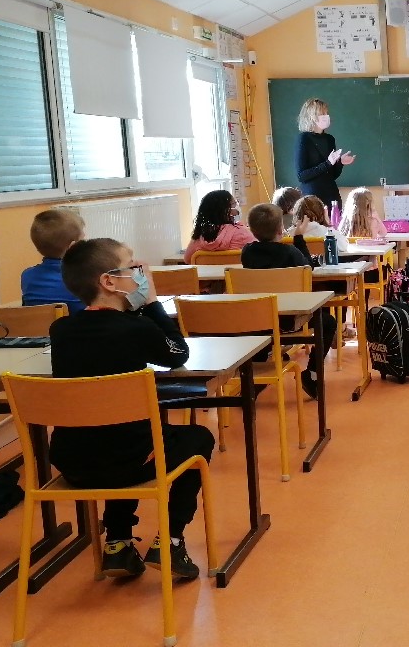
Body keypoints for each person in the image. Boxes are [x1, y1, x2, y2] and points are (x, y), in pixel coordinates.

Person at [50, 238, 211, 580]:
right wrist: (151, 303)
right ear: (109, 282)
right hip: (128, 462)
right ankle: (170, 540)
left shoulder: (60, 329)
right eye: (133, 267)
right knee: (197, 437)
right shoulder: (136, 328)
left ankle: (118, 542)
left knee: (117, 435)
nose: (141, 272)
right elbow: (176, 353)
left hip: (74, 462)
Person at [242, 204, 337, 399]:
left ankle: (256, 376)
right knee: (327, 321)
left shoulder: (247, 253)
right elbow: (308, 270)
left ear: (252, 230)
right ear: (280, 229)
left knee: (265, 321)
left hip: (257, 320)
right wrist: (299, 238)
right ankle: (312, 374)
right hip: (289, 321)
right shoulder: (290, 253)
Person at [21, 208, 86, 314]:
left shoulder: (27, 276)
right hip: (76, 330)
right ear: (73, 247)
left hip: (38, 330)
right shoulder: (83, 278)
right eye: (83, 239)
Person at [295, 98, 356, 211]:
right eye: (322, 113)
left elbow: (332, 175)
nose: (326, 116)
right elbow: (302, 176)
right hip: (313, 199)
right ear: (311, 116)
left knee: (335, 225)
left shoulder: (329, 139)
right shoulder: (304, 139)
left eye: (326, 113)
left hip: (331, 196)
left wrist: (340, 163)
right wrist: (328, 163)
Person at [184, 190, 255, 263]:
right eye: (234, 204)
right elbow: (257, 255)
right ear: (226, 210)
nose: (236, 207)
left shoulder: (198, 238)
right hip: (236, 274)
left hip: (208, 274)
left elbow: (187, 260)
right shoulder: (242, 233)